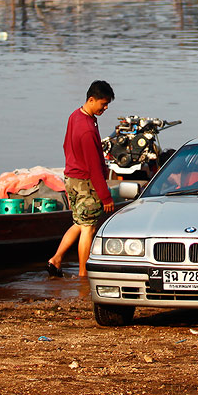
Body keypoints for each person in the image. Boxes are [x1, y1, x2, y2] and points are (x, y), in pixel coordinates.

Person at [47, 81, 115, 277]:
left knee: (79, 222)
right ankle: (84, 274)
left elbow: (65, 145)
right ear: (91, 100)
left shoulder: (75, 116)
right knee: (89, 228)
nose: (105, 108)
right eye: (103, 104)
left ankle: (56, 259)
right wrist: (105, 197)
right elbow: (94, 167)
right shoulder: (87, 129)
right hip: (85, 182)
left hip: (71, 177)